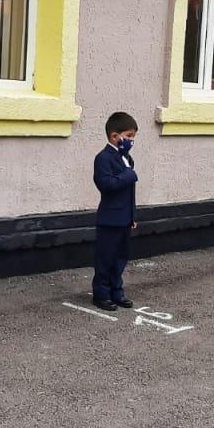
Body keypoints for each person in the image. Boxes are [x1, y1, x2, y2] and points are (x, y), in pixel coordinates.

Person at [92, 111, 139, 311]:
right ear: (114, 136)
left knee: (120, 258)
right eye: (128, 136)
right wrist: (129, 175)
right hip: (110, 219)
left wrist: (133, 215)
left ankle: (116, 291)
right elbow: (106, 184)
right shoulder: (103, 158)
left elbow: (130, 192)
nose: (131, 141)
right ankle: (101, 294)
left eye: (133, 137)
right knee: (106, 258)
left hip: (124, 218)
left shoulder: (127, 158)